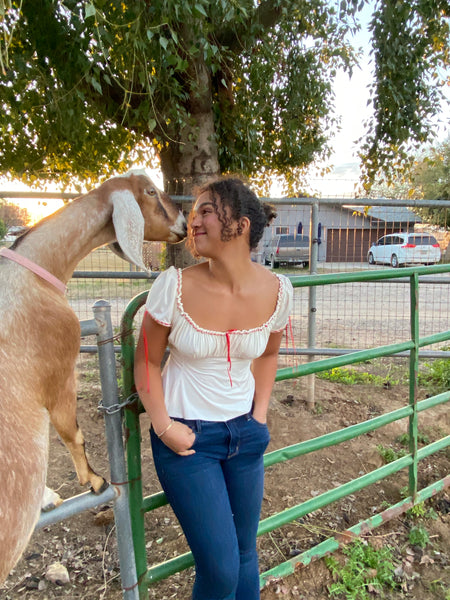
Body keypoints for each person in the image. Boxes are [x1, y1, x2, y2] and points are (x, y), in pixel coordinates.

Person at [134, 177, 293, 600]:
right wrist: (165, 426)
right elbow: (147, 360)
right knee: (221, 570)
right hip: (188, 441)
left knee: (244, 555)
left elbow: (268, 355)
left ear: (240, 226)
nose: (194, 221)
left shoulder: (278, 291)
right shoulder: (174, 285)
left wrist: (259, 416)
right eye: (194, 213)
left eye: (206, 211)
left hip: (245, 434)